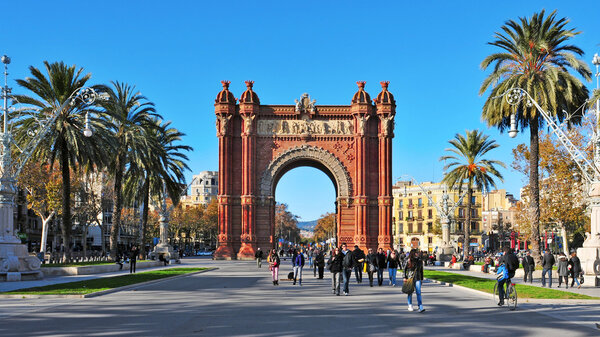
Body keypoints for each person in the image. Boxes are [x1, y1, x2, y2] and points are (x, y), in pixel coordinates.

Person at [404, 248, 425, 312]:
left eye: (418, 253)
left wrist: (421, 279)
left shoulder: (419, 260)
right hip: (410, 278)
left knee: (418, 292)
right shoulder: (408, 260)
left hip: (418, 278)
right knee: (410, 292)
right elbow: (404, 269)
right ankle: (410, 305)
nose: (418, 254)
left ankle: (420, 306)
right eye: (416, 253)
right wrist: (404, 277)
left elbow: (421, 271)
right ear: (413, 253)